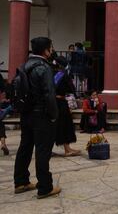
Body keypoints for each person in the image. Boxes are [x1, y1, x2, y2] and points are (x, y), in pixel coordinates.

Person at [14, 37, 61, 199]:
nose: (52, 51)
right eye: (51, 48)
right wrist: (54, 115)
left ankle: (21, 181)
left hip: (26, 113)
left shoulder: (24, 65)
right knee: (42, 150)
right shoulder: (43, 67)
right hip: (41, 114)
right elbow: (49, 94)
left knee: (25, 146)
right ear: (45, 50)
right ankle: (45, 187)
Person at [54, 56, 80, 156]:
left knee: (59, 125)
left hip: (52, 101)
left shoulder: (51, 73)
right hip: (60, 102)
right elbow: (71, 88)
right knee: (65, 125)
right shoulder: (63, 75)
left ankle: (67, 148)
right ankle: (67, 149)